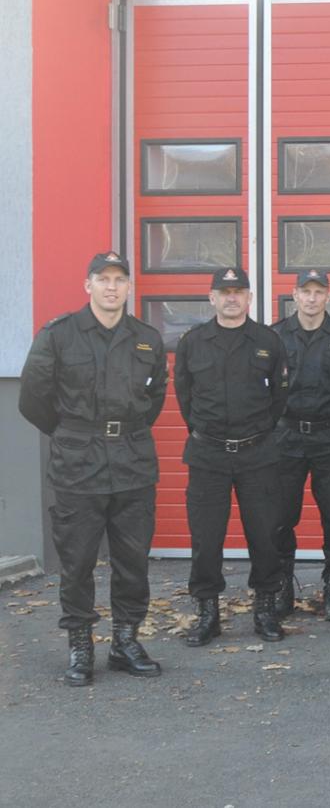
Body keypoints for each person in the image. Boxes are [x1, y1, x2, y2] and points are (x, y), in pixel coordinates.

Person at [19, 251, 169, 685]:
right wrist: (72, 432)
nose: (111, 287)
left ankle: (125, 641)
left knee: (132, 560)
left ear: (128, 288)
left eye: (119, 280)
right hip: (77, 464)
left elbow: (154, 397)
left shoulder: (146, 338)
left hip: (133, 462)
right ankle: (81, 646)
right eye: (102, 279)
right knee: (78, 560)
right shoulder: (59, 335)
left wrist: (123, 432)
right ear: (88, 285)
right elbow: (32, 398)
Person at [175, 267, 289, 645]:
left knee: (264, 534)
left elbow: (278, 401)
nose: (231, 298)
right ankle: (208, 613)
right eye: (224, 292)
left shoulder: (268, 341)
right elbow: (184, 397)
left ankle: (266, 609)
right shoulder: (193, 342)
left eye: (239, 291)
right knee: (206, 539)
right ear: (211, 298)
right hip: (208, 455)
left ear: (249, 298)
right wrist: (206, 430)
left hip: (258, 453)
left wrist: (255, 432)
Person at [269, 269, 330, 620]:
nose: (311, 298)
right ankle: (281, 589)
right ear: (294, 294)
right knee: (281, 518)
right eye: (305, 291)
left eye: (318, 291)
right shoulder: (276, 335)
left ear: (329, 296)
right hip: (287, 438)